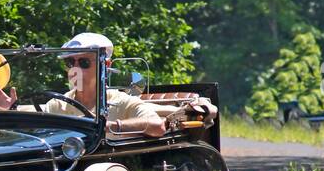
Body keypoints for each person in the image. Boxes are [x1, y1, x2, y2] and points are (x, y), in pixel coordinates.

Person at [35, 32, 217, 137]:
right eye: (69, 63)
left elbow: (157, 125)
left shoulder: (122, 102)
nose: (75, 69)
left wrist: (110, 126)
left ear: (105, 65)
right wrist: (7, 110)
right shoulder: (58, 104)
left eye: (84, 63)